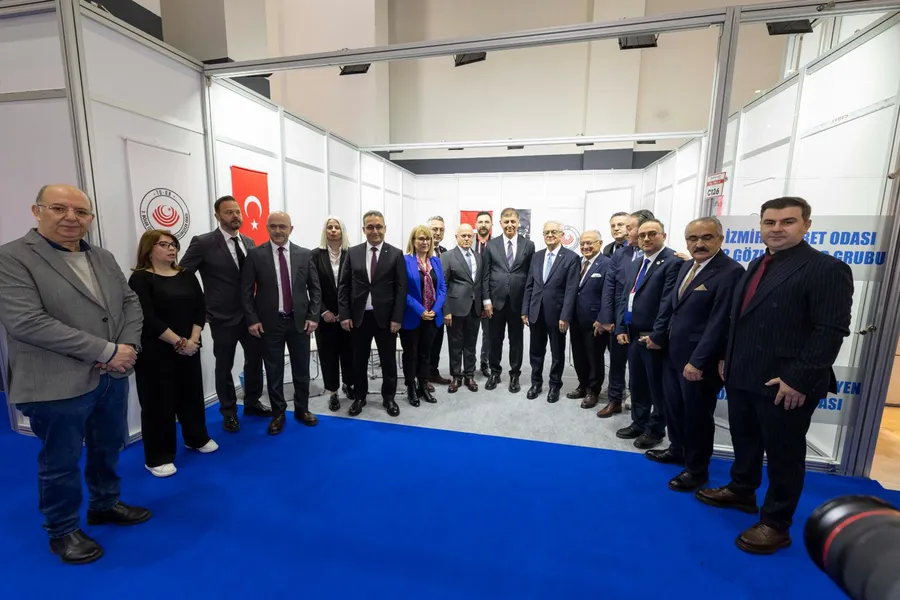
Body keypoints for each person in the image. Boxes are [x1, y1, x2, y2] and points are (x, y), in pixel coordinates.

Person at [0, 184, 150, 565]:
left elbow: (130, 303)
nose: (71, 217)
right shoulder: (11, 258)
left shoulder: (102, 256)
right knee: (60, 461)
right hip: (56, 381)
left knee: (107, 446)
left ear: (90, 219)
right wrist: (107, 351)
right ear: (37, 211)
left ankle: (105, 503)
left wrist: (127, 347)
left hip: (111, 377)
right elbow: (27, 322)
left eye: (81, 212)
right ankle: (62, 530)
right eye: (59, 208)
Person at [696, 197, 853, 555]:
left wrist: (799, 379)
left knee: (784, 456)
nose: (777, 229)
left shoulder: (827, 268)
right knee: (745, 439)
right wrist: (726, 357)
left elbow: (830, 330)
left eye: (787, 222)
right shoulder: (758, 263)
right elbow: (742, 319)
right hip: (744, 374)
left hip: (787, 384)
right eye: (769, 222)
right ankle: (742, 489)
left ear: (806, 225)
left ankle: (776, 523)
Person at [649, 218, 743, 492]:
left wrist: (698, 361)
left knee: (697, 417)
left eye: (706, 237)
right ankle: (677, 449)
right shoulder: (687, 266)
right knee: (675, 408)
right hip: (673, 354)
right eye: (693, 238)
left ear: (720, 239)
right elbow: (673, 307)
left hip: (699, 361)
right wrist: (658, 337)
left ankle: (696, 470)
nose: (699, 243)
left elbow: (720, 322)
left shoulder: (731, 272)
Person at [128, 230, 217, 478]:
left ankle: (196, 438)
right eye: (164, 245)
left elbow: (200, 308)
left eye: (174, 245)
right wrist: (178, 342)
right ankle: (158, 457)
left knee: (191, 396)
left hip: (189, 348)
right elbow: (146, 317)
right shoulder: (140, 279)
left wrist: (193, 339)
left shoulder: (186, 275)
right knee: (158, 403)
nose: (172, 249)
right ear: (149, 249)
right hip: (156, 352)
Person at [180, 195, 269, 433]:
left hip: (251, 316)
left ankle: (252, 402)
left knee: (254, 361)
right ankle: (228, 411)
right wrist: (202, 304)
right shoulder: (203, 242)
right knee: (224, 365)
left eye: (237, 211)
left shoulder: (249, 241)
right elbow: (183, 274)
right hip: (222, 317)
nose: (235, 216)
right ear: (217, 215)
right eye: (229, 212)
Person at [242, 212, 321, 435]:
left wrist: (313, 316)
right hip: (270, 323)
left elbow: (315, 289)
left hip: (299, 322)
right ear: (267, 228)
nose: (278, 231)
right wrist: (252, 320)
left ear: (291, 229)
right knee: (274, 370)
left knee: (302, 370)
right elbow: (246, 291)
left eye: (282, 226)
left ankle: (302, 409)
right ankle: (278, 413)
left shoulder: (304, 254)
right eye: (273, 226)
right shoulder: (255, 255)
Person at [615, 218, 682, 450]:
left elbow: (667, 304)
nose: (646, 238)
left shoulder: (672, 262)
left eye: (652, 234)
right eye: (642, 234)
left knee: (657, 387)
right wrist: (621, 326)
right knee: (638, 383)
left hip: (653, 337)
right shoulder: (637, 262)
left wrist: (657, 334)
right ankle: (639, 422)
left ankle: (655, 430)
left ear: (664, 235)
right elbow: (626, 297)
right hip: (633, 333)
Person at [338, 210, 408, 418]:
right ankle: (360, 396)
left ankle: (389, 398)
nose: (375, 230)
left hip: (386, 318)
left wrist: (397, 317)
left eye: (379, 226)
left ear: (385, 228)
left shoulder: (395, 254)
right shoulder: (353, 253)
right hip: (359, 317)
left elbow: (401, 288)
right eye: (370, 227)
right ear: (364, 229)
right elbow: (343, 286)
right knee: (358, 360)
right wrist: (344, 314)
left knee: (388, 360)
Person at [596, 210, 655, 418]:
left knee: (641, 367)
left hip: (646, 324)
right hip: (620, 320)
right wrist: (607, 318)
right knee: (616, 362)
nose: (626, 232)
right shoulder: (620, 254)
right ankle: (615, 399)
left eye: (630, 228)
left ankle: (639, 404)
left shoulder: (664, 256)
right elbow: (609, 288)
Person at [522, 221, 579, 403]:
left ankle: (555, 385)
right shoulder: (537, 256)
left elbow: (571, 290)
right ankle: (536, 383)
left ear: (562, 234)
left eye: (554, 231)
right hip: (536, 312)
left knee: (557, 353)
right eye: (546, 232)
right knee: (535, 351)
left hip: (557, 315)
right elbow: (529, 285)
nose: (550, 235)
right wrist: (525, 310)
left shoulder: (571, 258)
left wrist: (565, 316)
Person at [482, 207, 535, 393]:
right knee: (495, 339)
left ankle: (515, 375)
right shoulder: (491, 245)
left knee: (516, 341)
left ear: (518, 222)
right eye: (506, 222)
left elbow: (531, 276)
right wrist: (486, 300)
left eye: (513, 221)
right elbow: (485, 275)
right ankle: (495, 372)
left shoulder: (528, 245)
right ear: (500, 223)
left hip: (518, 302)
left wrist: (527, 305)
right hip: (495, 302)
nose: (510, 225)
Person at [400, 225, 447, 406]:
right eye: (421, 238)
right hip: (413, 316)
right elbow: (403, 291)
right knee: (411, 354)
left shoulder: (435, 262)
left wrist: (435, 309)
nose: (425, 242)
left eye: (428, 239)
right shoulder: (405, 261)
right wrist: (421, 310)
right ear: (413, 241)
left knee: (426, 353)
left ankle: (423, 385)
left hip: (432, 316)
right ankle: (411, 387)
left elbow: (442, 288)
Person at [311, 217, 354, 412]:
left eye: (337, 227)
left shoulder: (351, 254)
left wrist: (345, 312)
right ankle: (333, 392)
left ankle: (349, 384)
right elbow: (312, 287)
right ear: (325, 231)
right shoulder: (314, 255)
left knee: (349, 353)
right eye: (330, 227)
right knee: (328, 356)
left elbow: (355, 286)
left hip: (348, 316)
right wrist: (324, 311)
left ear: (342, 231)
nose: (334, 230)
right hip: (325, 316)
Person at [569, 230, 613, 409]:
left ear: (600, 244)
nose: (585, 247)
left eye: (590, 243)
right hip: (575, 318)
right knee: (578, 355)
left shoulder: (607, 264)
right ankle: (582, 385)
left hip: (595, 321)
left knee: (594, 357)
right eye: (582, 244)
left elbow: (608, 294)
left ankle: (593, 390)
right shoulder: (577, 263)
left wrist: (602, 318)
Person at [442, 224, 483, 393]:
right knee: (455, 344)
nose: (467, 238)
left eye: (469, 236)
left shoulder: (478, 256)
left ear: (473, 237)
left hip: (475, 307)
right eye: (463, 235)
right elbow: (443, 285)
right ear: (456, 237)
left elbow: (479, 282)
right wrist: (446, 310)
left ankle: (469, 375)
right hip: (455, 308)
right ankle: (456, 376)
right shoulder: (447, 256)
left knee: (471, 344)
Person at [427, 216, 451, 387]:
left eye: (441, 229)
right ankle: (422, 377)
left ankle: (433, 373)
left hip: (440, 306)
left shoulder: (445, 252)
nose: (438, 232)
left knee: (437, 342)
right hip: (424, 307)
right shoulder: (420, 251)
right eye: (434, 229)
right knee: (424, 344)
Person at [474, 210, 493, 376]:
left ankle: (485, 362)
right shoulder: (467, 242)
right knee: (470, 334)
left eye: (486, 222)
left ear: (491, 225)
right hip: (470, 298)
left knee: (488, 334)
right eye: (480, 222)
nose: (483, 225)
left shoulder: (496, 245)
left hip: (489, 298)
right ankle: (469, 364)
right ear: (476, 225)